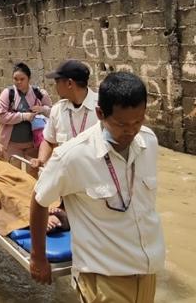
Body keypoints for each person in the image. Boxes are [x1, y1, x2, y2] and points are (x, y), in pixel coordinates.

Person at [29, 72, 164, 303]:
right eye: (122, 124)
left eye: (138, 121)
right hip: (104, 277)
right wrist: (38, 257)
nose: (131, 131)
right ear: (100, 113)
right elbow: (39, 199)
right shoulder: (73, 156)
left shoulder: (148, 141)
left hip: (148, 271)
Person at [30, 60, 99, 169]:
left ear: (69, 83)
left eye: (57, 82)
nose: (55, 87)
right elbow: (48, 140)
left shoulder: (102, 108)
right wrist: (41, 160)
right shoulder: (57, 110)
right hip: (67, 178)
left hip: (94, 179)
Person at [0, 63, 52, 165]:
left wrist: (42, 109)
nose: (18, 82)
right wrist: (23, 116)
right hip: (12, 144)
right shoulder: (7, 94)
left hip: (33, 144)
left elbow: (52, 113)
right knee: (15, 176)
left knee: (33, 174)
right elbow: (1, 116)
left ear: (29, 79)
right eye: (15, 79)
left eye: (22, 79)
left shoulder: (39, 93)